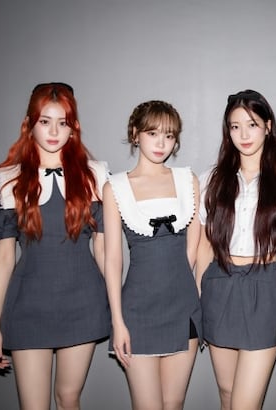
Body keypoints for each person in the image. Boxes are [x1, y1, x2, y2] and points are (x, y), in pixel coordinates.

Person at [0, 82, 110, 410]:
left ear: (73, 127)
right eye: (45, 121)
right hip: (28, 305)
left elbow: (104, 250)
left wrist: (119, 310)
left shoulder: (94, 176)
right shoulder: (7, 180)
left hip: (83, 301)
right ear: (30, 124)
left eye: (62, 122)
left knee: (68, 398)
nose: (54, 131)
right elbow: (5, 256)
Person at [196, 89, 276, 410]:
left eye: (252, 125)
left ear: (268, 126)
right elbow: (204, 246)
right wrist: (200, 298)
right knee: (227, 394)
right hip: (219, 286)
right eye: (235, 127)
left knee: (244, 404)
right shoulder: (211, 180)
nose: (243, 135)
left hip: (265, 288)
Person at [103, 100, 202, 410]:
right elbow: (113, 260)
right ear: (135, 134)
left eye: (169, 135)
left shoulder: (188, 181)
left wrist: (175, 286)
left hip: (183, 308)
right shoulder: (115, 187)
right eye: (152, 133)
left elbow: (193, 248)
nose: (161, 143)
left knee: (174, 403)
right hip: (136, 311)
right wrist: (118, 321)